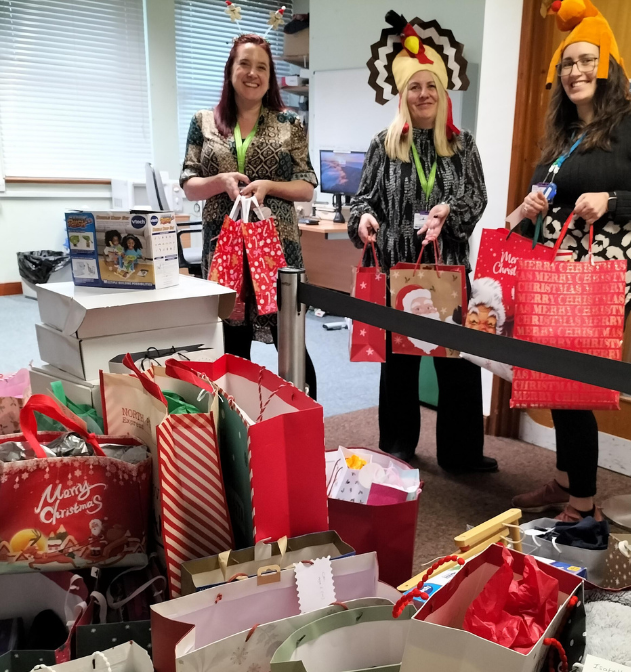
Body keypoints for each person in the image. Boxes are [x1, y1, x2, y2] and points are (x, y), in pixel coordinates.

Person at [511, 0, 631, 521]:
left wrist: (612, 200)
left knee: (572, 383)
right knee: (555, 378)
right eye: (567, 63)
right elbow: (549, 190)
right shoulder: (566, 131)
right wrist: (533, 201)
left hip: (608, 272)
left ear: (608, 65)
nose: (576, 72)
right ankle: (569, 481)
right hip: (562, 268)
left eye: (587, 60)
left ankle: (583, 503)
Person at [349, 13, 497, 474]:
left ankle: (461, 452)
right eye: (414, 87)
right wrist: (365, 218)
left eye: (431, 86)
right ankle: (397, 444)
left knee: (457, 367)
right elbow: (362, 200)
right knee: (399, 367)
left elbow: (478, 196)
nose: (424, 95)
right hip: (398, 271)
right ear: (402, 95)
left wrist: (450, 213)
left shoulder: (463, 144)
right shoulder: (383, 144)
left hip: (447, 268)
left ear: (443, 92)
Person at [180, 34, 318, 397]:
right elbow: (189, 184)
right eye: (245, 64)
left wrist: (270, 185)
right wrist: (219, 180)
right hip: (223, 247)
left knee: (289, 343)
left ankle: (300, 424)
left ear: (270, 77)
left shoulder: (290, 124)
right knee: (232, 345)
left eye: (262, 67)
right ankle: (241, 434)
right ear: (230, 70)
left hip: (276, 249)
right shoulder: (204, 122)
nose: (253, 73)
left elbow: (306, 186)